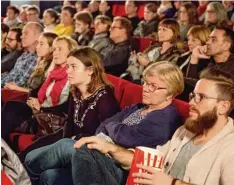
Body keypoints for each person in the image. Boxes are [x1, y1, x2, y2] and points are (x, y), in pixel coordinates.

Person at [54, 67, 234, 185]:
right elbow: (146, 161)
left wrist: (171, 183)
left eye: (201, 97)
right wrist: (111, 148)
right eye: (193, 96)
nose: (193, 102)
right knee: (71, 162)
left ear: (223, 106)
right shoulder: (185, 131)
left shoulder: (230, 147)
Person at [25, 61, 185, 185]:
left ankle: (20, 175)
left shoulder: (166, 117)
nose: (146, 88)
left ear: (170, 93)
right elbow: (106, 124)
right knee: (50, 176)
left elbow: (127, 137)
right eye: (145, 82)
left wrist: (112, 130)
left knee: (66, 146)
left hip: (121, 168)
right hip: (102, 154)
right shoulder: (140, 106)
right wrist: (113, 130)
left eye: (154, 86)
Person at [1, 36, 77, 142]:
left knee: (12, 110)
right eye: (54, 49)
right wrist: (34, 101)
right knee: (12, 105)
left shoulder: (72, 76)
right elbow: (35, 91)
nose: (55, 52)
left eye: (60, 49)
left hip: (52, 117)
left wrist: (41, 108)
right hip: (38, 111)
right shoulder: (52, 72)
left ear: (71, 53)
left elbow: (66, 107)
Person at [3, 32, 57, 97]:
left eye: (41, 44)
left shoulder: (51, 67)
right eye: (38, 43)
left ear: (51, 48)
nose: (37, 47)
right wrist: (15, 86)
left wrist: (17, 88)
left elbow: (40, 93)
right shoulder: (41, 62)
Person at [1, 22, 43, 87]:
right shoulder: (25, 54)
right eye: (22, 33)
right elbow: (11, 75)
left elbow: (19, 84)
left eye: (26, 33)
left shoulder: (35, 58)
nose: (21, 37)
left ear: (38, 37)